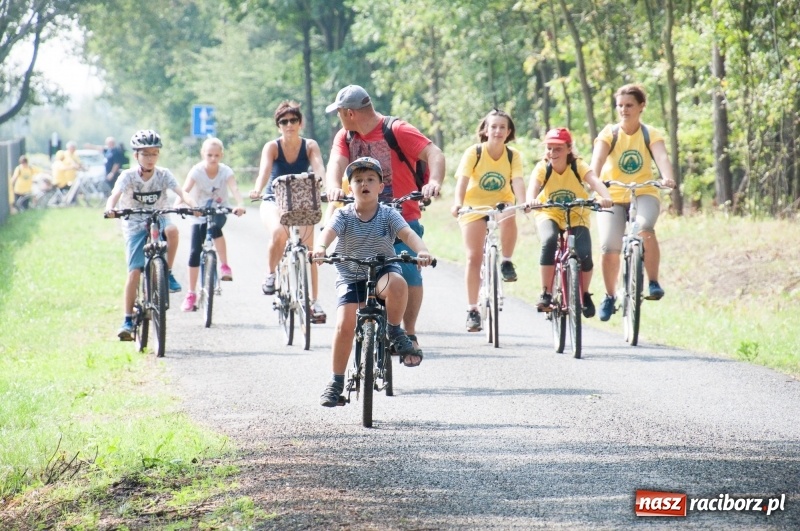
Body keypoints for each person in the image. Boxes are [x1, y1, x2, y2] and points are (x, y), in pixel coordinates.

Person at [325, 84, 445, 356]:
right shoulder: (345, 136)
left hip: (402, 216)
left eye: (339, 113)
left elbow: (434, 153)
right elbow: (336, 163)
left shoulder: (397, 130)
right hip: (362, 217)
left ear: (349, 112)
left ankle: (408, 332)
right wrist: (334, 185)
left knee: (410, 271)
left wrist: (434, 181)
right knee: (358, 268)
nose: (339, 119)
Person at [310, 157, 434, 407]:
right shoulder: (344, 215)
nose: (364, 184)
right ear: (350, 188)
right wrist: (320, 248)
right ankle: (335, 383)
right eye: (358, 180)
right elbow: (327, 232)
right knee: (344, 325)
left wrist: (422, 251)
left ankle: (395, 330)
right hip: (351, 275)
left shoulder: (388, 214)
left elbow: (408, 234)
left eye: (370, 180)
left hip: (381, 272)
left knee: (398, 282)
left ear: (381, 187)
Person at [589, 84, 677, 321]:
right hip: (612, 197)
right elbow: (596, 160)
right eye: (620, 106)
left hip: (644, 192)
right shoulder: (609, 134)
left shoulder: (650, 134)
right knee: (609, 247)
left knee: (645, 228)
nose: (624, 110)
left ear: (641, 107)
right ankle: (609, 296)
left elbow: (661, 156)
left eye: (629, 105)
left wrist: (667, 177)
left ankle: (653, 282)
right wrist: (594, 182)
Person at [104, 129, 196, 340]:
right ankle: (127, 319)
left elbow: (182, 193)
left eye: (154, 153)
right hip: (134, 220)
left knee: (172, 230)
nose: (150, 158)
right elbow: (114, 195)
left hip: (159, 215)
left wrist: (194, 206)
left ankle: (167, 272)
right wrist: (110, 208)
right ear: (136, 155)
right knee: (134, 272)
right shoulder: (127, 176)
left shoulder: (163, 174)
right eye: (145, 154)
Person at [249, 101, 328, 323]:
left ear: (300, 123)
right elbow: (264, 172)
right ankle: (271, 274)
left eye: (293, 120)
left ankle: (314, 302)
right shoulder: (272, 147)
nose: (289, 125)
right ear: (278, 126)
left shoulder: (309, 145)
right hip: (274, 200)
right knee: (278, 233)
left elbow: (319, 167)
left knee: (310, 251)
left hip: (302, 202)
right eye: (284, 122)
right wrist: (257, 188)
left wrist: (327, 187)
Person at [450, 109, 527, 332]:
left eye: (502, 127)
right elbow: (462, 181)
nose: (498, 131)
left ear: (509, 132)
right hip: (474, 206)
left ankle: (506, 261)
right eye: (493, 126)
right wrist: (457, 203)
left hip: (501, 202)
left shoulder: (513, 155)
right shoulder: (474, 153)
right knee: (473, 258)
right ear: (485, 130)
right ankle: (473, 310)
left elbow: (518, 181)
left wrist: (522, 202)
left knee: (509, 213)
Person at [526, 128, 613, 317]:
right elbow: (533, 185)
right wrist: (531, 199)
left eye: (558, 149)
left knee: (584, 253)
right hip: (549, 213)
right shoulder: (543, 167)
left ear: (568, 149)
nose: (552, 153)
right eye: (549, 148)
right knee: (549, 240)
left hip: (576, 213)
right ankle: (546, 292)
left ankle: (584, 293)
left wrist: (605, 197)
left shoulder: (577, 165)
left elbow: (595, 182)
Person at [178, 137, 246, 312]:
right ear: (203, 154)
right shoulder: (196, 171)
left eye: (216, 155)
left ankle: (224, 266)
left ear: (221, 155)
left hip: (219, 211)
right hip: (198, 213)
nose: (213, 159)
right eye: (209, 155)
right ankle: (191, 293)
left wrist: (240, 204)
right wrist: (178, 204)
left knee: (215, 227)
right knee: (194, 252)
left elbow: (235, 189)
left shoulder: (225, 172)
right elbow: (184, 190)